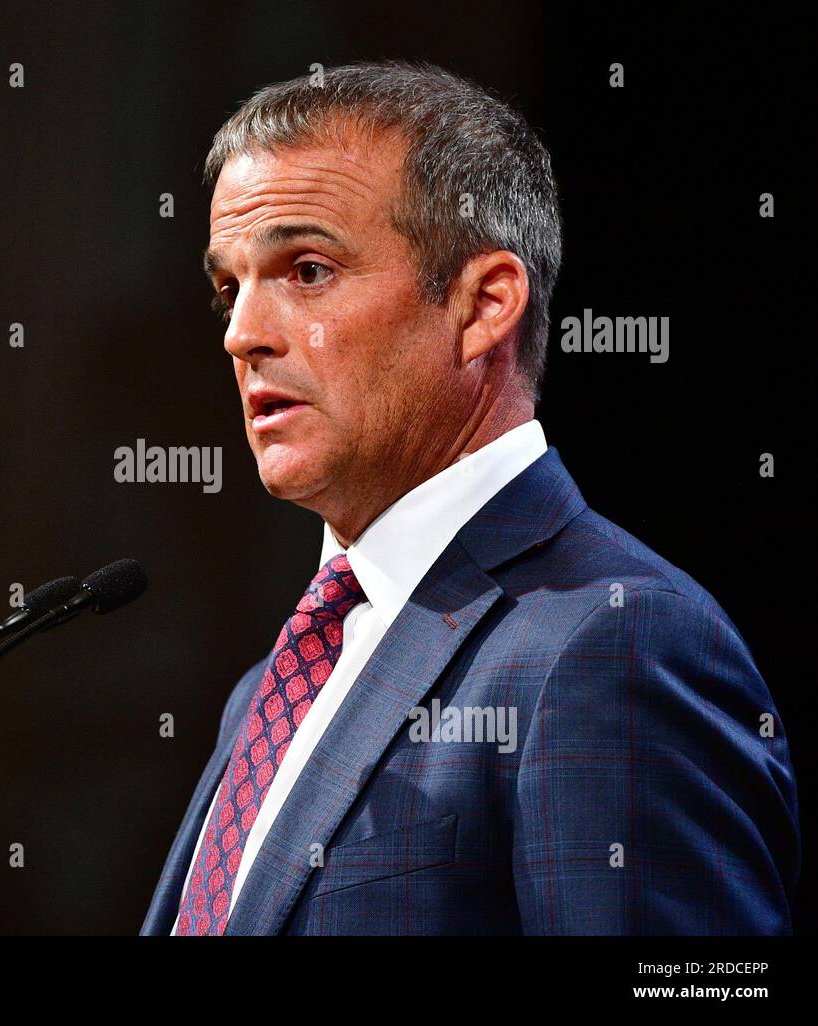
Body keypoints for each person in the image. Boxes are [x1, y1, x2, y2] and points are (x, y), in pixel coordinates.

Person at [141, 60, 799, 936]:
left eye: (306, 270)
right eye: (230, 286)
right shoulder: (272, 687)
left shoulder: (614, 640)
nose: (242, 334)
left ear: (484, 305)